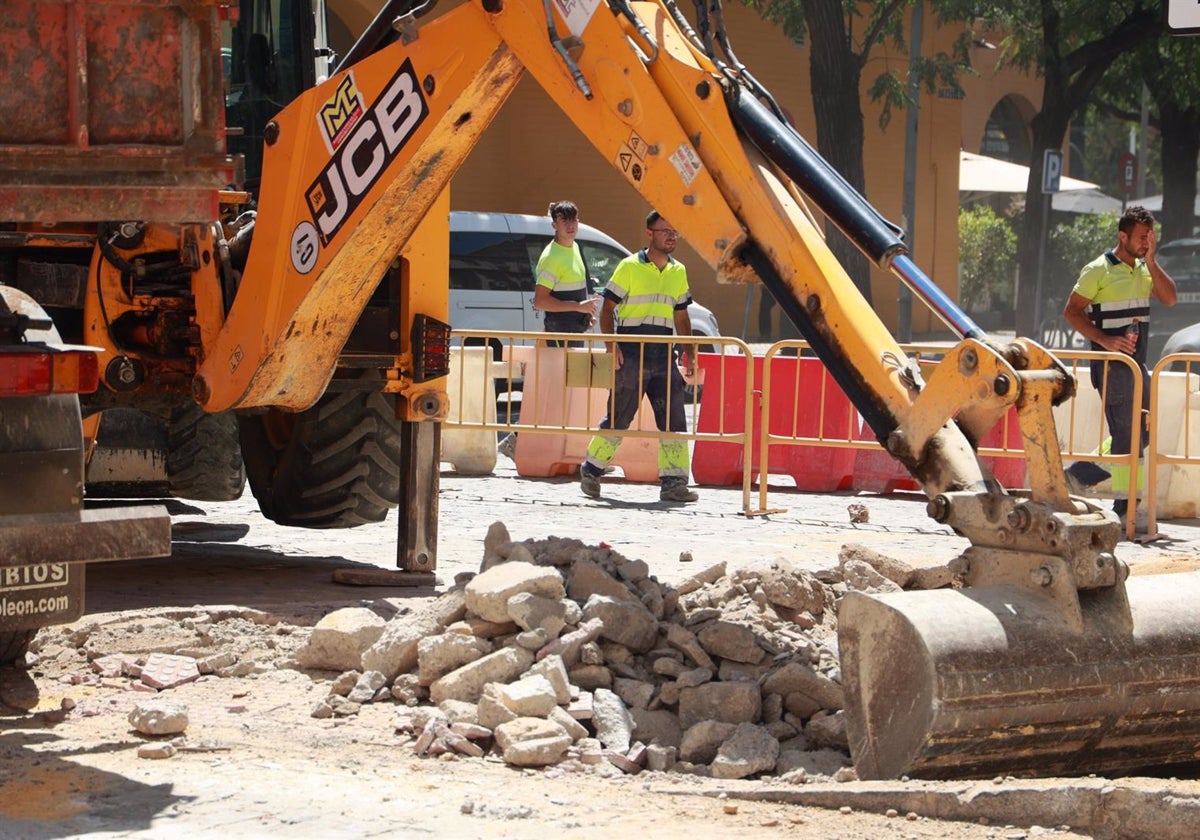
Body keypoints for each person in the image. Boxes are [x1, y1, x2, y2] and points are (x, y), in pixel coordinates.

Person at [1062, 205, 1176, 522]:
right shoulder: (1098, 269)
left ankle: (1079, 475)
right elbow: (1071, 311)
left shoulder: (1143, 269)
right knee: (1127, 436)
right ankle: (1126, 510)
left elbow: (1170, 298)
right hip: (1112, 367)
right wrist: (1105, 340)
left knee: (1143, 433)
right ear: (1122, 236)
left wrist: (1151, 261)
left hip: (1137, 367)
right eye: (1141, 238)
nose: (1145, 242)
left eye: (1150, 237)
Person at [579, 210, 698, 503]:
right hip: (631, 352)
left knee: (674, 420)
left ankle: (674, 483)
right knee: (620, 417)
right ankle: (591, 470)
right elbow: (608, 309)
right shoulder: (629, 267)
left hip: (662, 354)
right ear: (649, 234)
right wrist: (612, 346)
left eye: (674, 231)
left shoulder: (678, 271)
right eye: (664, 231)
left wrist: (690, 354)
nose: (671, 236)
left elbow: (681, 316)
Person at [497, 200, 599, 459]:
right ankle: (519, 440)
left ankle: (561, 446)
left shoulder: (574, 247)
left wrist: (585, 313)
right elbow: (541, 300)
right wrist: (578, 307)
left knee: (568, 392)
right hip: (558, 333)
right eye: (564, 220)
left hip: (572, 331)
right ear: (554, 224)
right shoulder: (551, 257)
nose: (571, 225)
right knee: (556, 392)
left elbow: (574, 290)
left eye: (574, 219)